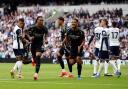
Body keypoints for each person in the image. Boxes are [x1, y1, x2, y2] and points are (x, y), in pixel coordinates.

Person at [26, 16, 48, 80]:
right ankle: (33, 60)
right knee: (35, 59)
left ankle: (36, 74)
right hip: (33, 44)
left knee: (38, 56)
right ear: (37, 20)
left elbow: (46, 34)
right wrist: (29, 37)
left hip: (39, 44)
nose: (41, 21)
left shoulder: (44, 28)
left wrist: (46, 39)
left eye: (42, 20)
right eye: (40, 20)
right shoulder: (32, 27)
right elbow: (25, 31)